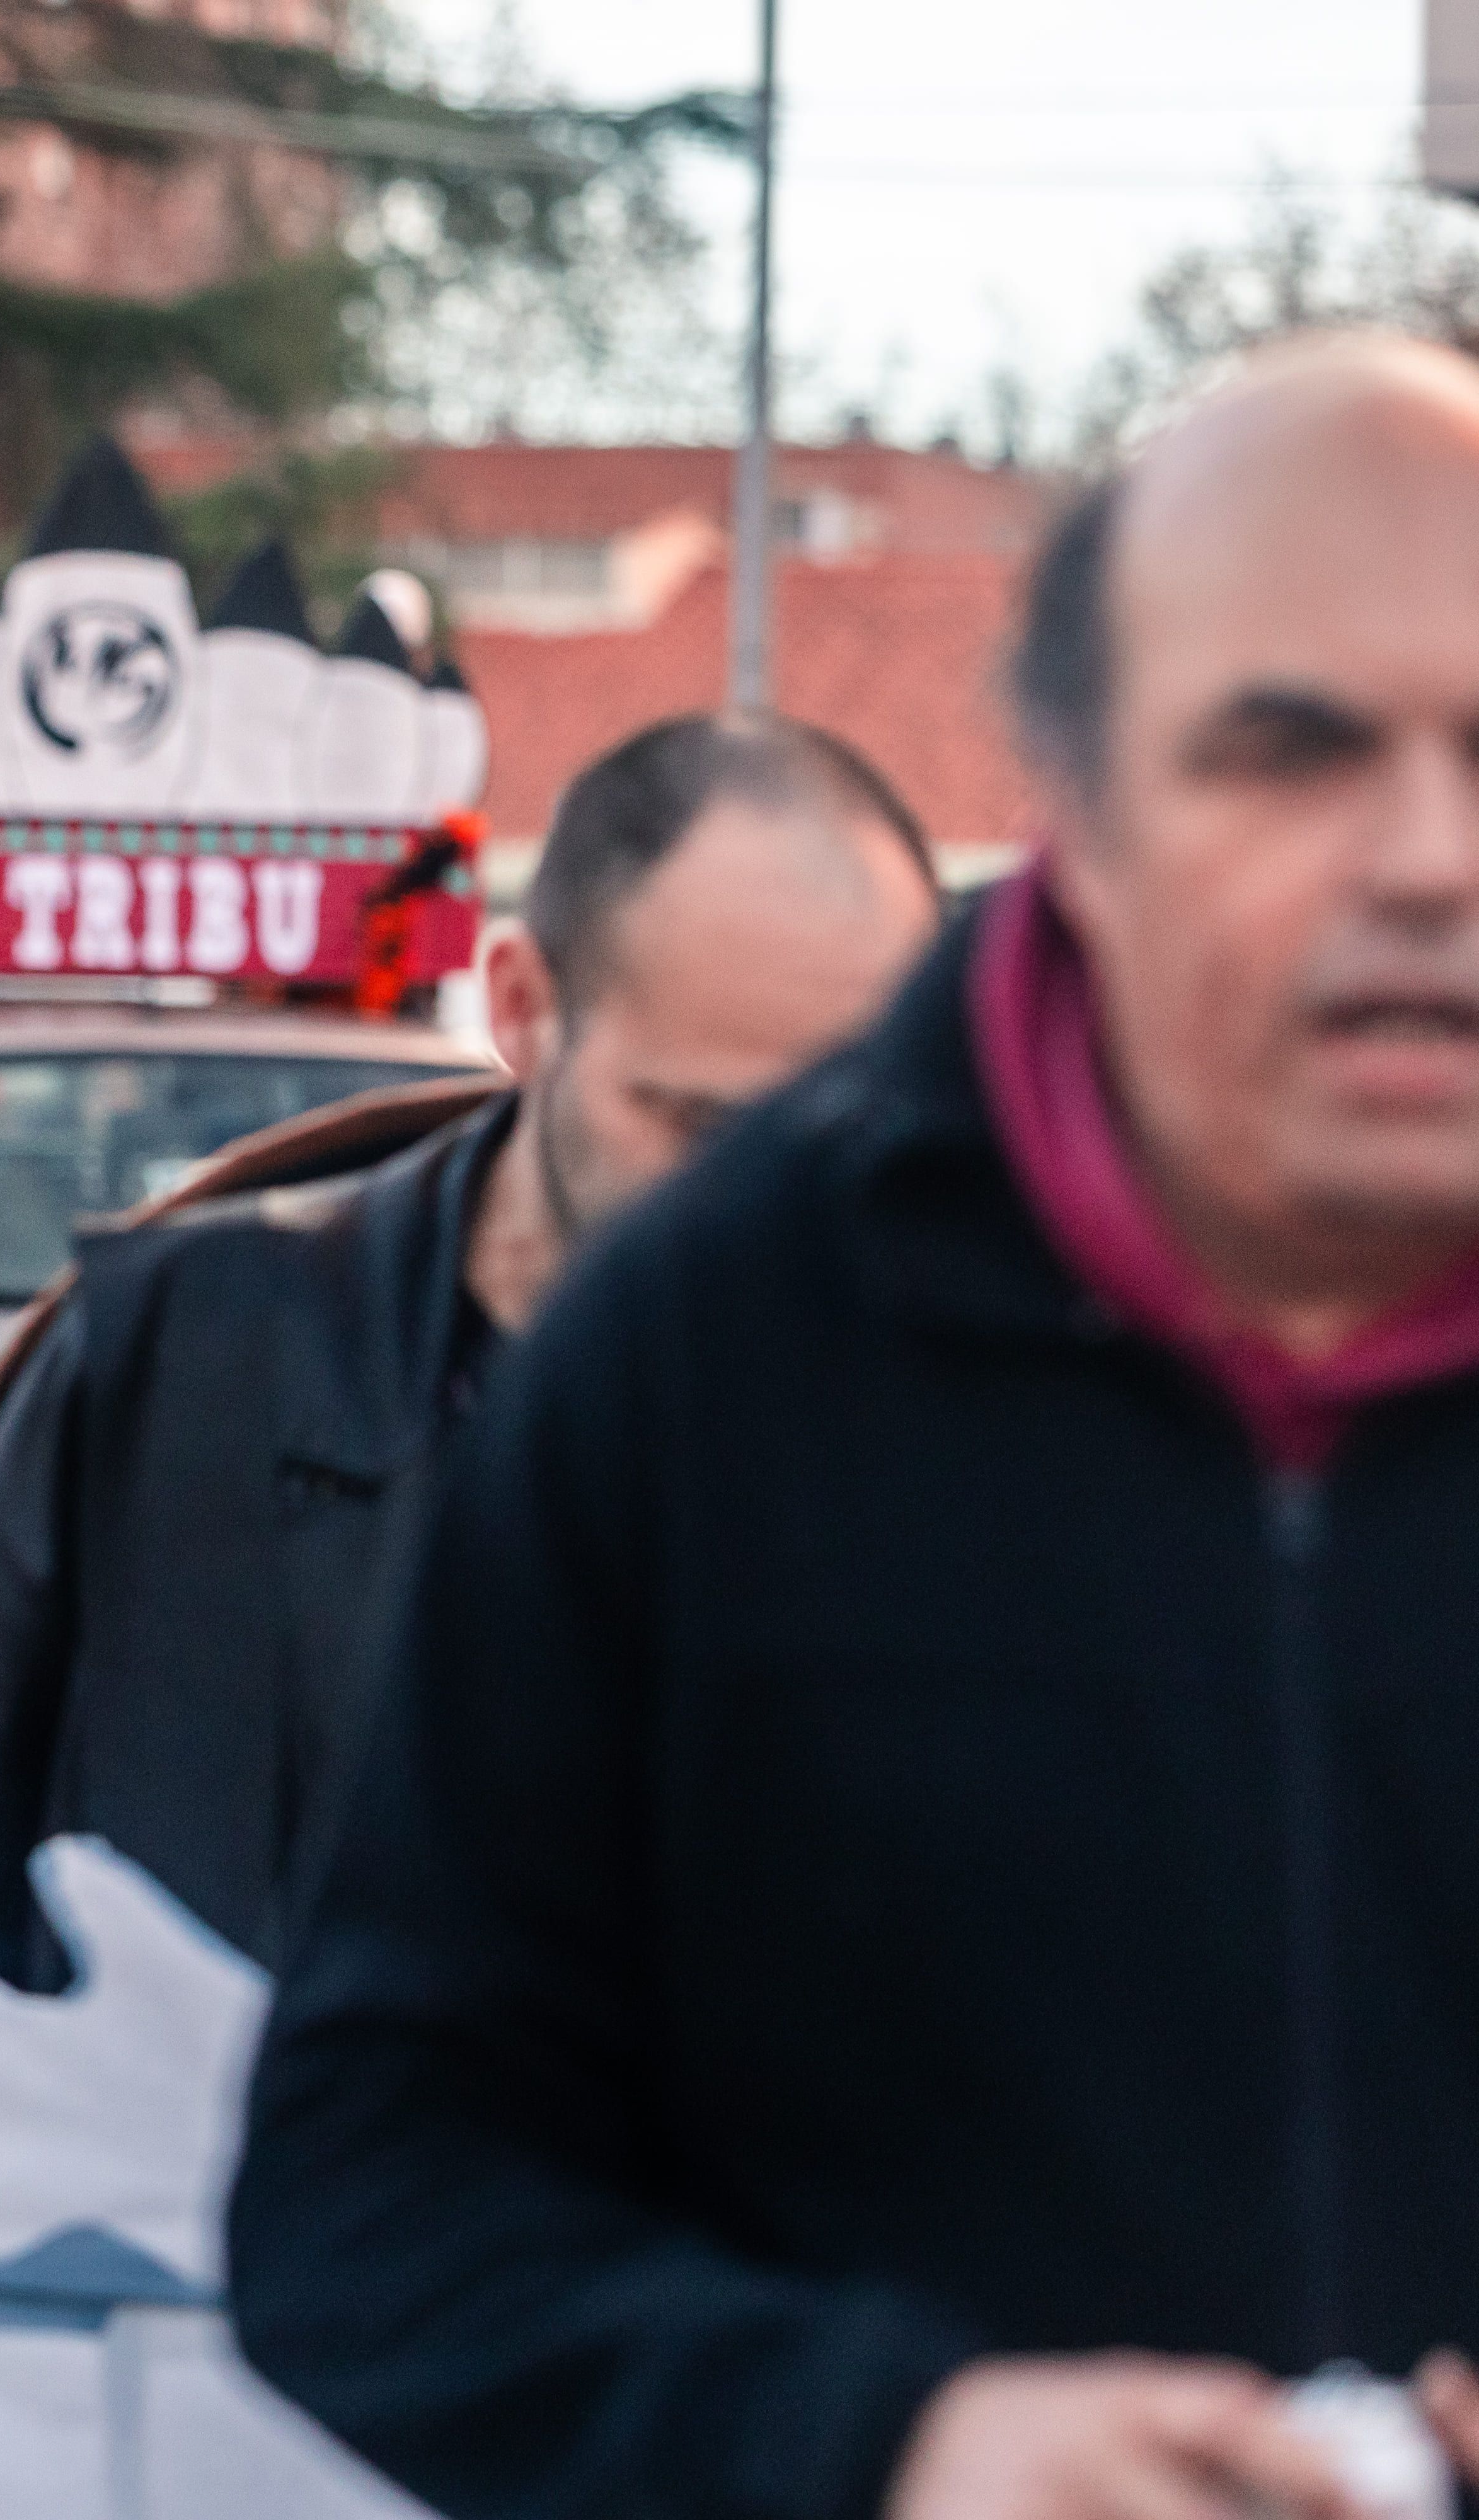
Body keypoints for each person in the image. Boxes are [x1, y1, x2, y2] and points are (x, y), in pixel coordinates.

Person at [233, 335, 1479, 2520]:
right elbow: (368, 2197)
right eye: (1291, 751)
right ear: (1076, 810)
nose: (1429, 856)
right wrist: (880, 2442)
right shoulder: (706, 1356)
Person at [0, 711, 948, 2516]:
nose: (755, 1210)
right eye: (691, 1123)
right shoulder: (189, 1367)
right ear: (527, 1009)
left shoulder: (956, 1445)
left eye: (827, 1136)